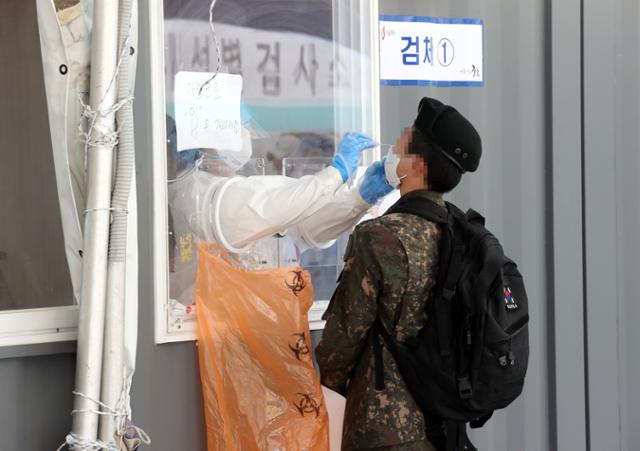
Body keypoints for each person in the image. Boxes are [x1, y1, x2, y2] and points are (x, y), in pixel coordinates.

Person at [315, 97, 482, 451]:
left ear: (416, 166)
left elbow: (339, 345)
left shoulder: (378, 237)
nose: (391, 154)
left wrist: (328, 381)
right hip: (444, 424)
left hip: (383, 430)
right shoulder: (465, 236)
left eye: (399, 147)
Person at [166, 114, 394, 304]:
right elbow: (269, 207)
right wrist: (335, 174)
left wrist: (358, 200)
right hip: (228, 327)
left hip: (269, 323)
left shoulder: (234, 187)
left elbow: (305, 227)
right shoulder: (202, 195)